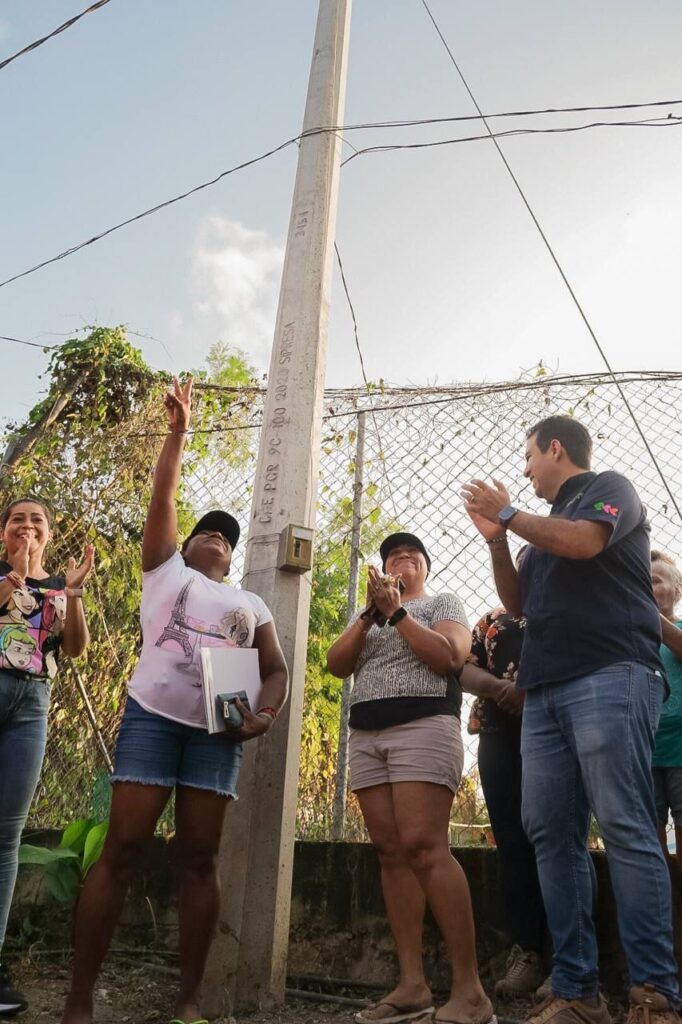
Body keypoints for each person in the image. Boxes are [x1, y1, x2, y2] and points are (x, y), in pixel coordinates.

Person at [62, 379, 289, 1024]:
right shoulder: (165, 571)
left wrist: (264, 716)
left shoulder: (251, 602)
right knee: (123, 849)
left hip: (216, 736)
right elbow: (162, 495)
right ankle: (79, 1001)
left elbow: (275, 670)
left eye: (226, 536)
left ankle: (189, 1001)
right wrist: (178, 433)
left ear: (233, 555)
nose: (216, 537)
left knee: (198, 858)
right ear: (185, 544)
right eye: (206, 531)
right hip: (152, 722)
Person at [462, 415, 680, 1024]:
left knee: (625, 825)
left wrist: (508, 514)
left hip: (612, 673)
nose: (525, 467)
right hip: (544, 689)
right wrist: (497, 539)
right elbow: (518, 603)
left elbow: (585, 542)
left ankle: (656, 996)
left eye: (529, 454)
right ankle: (579, 990)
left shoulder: (611, 488)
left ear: (556, 447)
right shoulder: (536, 535)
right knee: (550, 835)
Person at [326, 533, 493, 1024]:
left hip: (423, 725)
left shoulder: (442, 602)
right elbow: (337, 665)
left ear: (423, 568)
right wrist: (370, 615)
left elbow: (450, 659)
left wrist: (398, 614)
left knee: (425, 847)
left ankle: (471, 992)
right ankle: (412, 986)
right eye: (394, 555)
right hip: (367, 732)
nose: (403, 558)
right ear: (381, 569)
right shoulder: (369, 619)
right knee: (392, 853)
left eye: (412, 556)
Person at [0, 497, 93, 1019]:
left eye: (37, 521)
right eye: (18, 520)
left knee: (6, 836)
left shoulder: (58, 586)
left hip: (33, 702)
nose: (28, 527)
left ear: (50, 534)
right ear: (3, 530)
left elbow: (74, 648)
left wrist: (73, 595)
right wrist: (13, 577)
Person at [460, 577, 548, 1000]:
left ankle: (571, 959)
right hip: (498, 734)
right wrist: (500, 689)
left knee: (560, 839)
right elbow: (464, 666)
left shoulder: (567, 609)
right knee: (512, 842)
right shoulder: (492, 621)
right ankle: (527, 952)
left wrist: (531, 692)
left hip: (555, 730)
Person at [650, 549, 682, 873]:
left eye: (656, 581)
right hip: (647, 751)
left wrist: (649, 616)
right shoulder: (632, 636)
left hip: (680, 749)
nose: (647, 587)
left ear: (678, 590)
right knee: (652, 841)